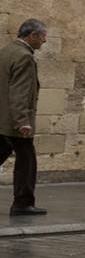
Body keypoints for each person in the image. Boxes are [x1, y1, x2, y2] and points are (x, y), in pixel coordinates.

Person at [1, 19, 48, 216]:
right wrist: (23, 122)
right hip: (15, 122)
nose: (44, 41)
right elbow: (19, 92)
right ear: (32, 36)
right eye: (43, 36)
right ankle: (22, 203)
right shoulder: (24, 57)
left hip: (2, 119)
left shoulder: (6, 51)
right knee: (27, 161)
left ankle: (23, 202)